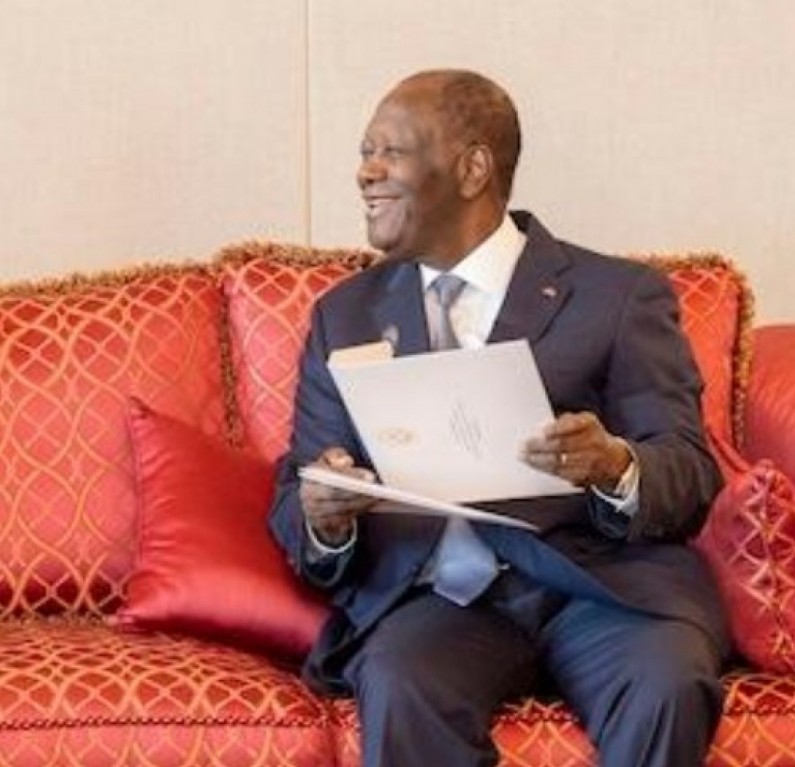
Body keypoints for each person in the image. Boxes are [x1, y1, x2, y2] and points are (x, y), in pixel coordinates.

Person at [270, 69, 727, 767]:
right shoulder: (346, 314)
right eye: (364, 154)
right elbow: (297, 490)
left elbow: (688, 469)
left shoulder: (617, 296)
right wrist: (325, 516)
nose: (366, 173)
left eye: (390, 151)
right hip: (439, 603)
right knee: (399, 682)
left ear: (472, 167)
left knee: (667, 683)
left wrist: (615, 466)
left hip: (600, 591)